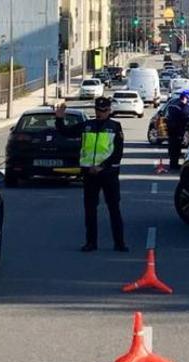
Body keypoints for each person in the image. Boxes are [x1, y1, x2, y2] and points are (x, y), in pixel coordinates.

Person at [54, 97, 128, 252]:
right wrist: (59, 118)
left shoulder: (115, 127)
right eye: (97, 110)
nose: (100, 113)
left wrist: (102, 166)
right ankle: (91, 242)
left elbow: (117, 152)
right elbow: (66, 132)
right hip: (90, 174)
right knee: (90, 210)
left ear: (109, 110)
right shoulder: (87, 125)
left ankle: (119, 243)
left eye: (103, 110)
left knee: (114, 208)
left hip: (108, 174)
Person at [165, 90, 189, 170]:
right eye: (187, 98)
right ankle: (174, 164)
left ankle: (172, 163)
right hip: (178, 131)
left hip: (171, 131)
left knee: (172, 148)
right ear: (185, 98)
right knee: (176, 149)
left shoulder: (173, 106)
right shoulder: (183, 107)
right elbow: (187, 117)